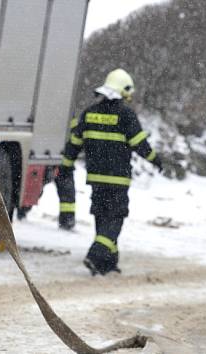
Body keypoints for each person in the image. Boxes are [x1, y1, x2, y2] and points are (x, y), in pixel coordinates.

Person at [61, 68, 162, 276]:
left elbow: (74, 143)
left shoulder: (89, 113)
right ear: (122, 92)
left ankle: (107, 263)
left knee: (101, 215)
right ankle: (96, 254)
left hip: (96, 179)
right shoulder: (125, 114)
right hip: (117, 179)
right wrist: (156, 160)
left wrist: (65, 165)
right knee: (115, 218)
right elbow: (140, 144)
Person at [55, 118, 78, 231]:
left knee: (67, 192)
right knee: (67, 191)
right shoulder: (68, 113)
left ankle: (67, 219)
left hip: (62, 158)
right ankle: (67, 220)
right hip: (62, 157)